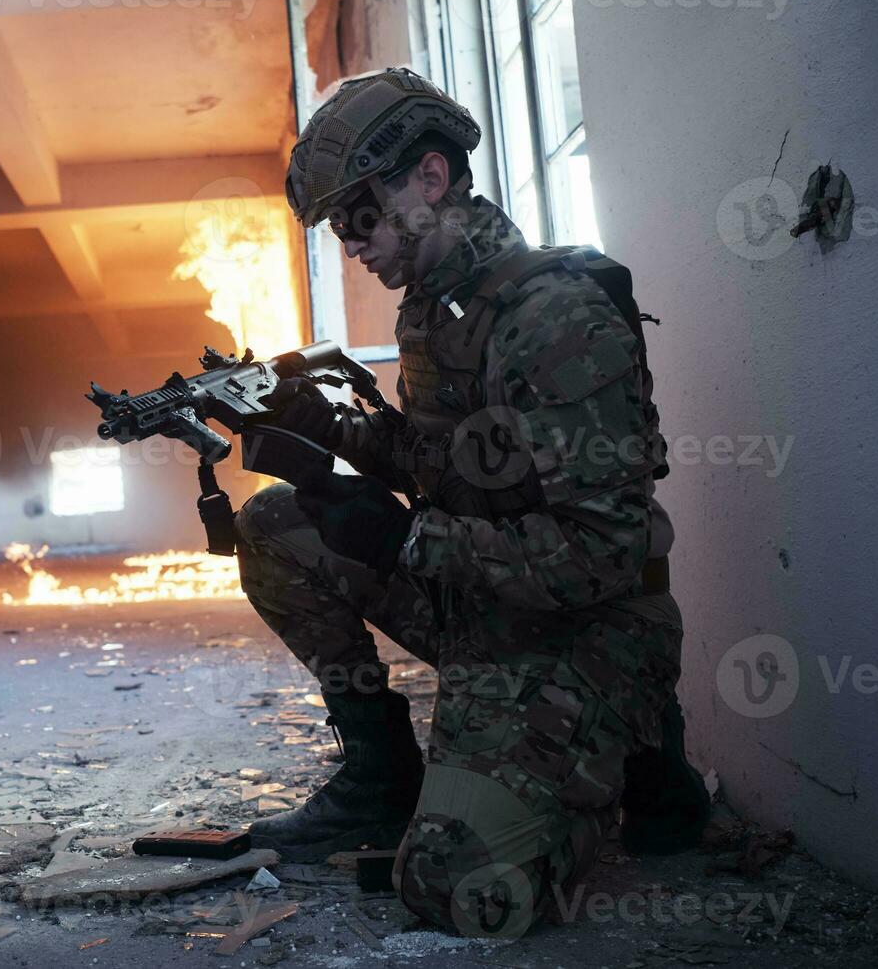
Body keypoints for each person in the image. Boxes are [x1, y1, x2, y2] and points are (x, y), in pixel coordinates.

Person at [235, 67, 709, 937]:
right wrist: (330, 430)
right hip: (488, 602)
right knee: (275, 525)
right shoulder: (435, 309)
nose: (354, 244)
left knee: (458, 886)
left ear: (430, 177)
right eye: (342, 228)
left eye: (363, 216)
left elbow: (604, 555)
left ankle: (635, 752)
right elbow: (445, 463)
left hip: (587, 630)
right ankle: (382, 777)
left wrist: (406, 540)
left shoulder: (553, 314)